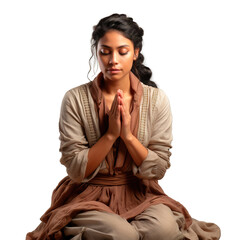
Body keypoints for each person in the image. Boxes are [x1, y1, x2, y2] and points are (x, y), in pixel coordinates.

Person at [26, 13, 221, 240]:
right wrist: (110, 135)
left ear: (136, 53)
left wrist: (128, 136)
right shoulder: (75, 98)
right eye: (105, 52)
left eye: (122, 51)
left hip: (140, 193)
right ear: (96, 53)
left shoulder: (157, 100)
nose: (113, 60)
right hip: (88, 195)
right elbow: (75, 168)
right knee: (121, 234)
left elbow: (158, 168)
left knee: (163, 229)